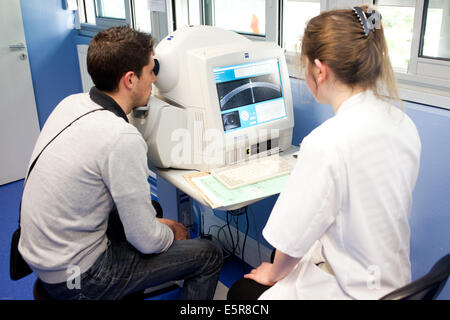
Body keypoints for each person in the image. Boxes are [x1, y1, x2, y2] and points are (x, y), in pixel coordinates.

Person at [227, 5, 421, 300]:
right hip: (393, 285)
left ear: (320, 70)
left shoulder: (327, 142)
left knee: (242, 292)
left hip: (350, 290)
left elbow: (291, 240)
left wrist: (273, 273)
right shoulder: (403, 124)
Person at [19, 26, 223, 300]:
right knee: (209, 254)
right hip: (79, 278)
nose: (154, 79)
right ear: (130, 79)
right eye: (152, 70)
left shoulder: (72, 103)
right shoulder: (120, 136)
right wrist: (171, 232)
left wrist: (154, 222)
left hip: (43, 259)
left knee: (153, 208)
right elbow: (147, 241)